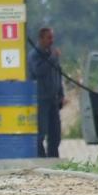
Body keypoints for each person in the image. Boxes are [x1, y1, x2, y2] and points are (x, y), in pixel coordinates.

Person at [29, 26, 65, 158]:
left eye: (52, 37)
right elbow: (39, 71)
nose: (52, 40)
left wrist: (61, 94)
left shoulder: (52, 54)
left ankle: (53, 158)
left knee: (55, 133)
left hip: (53, 99)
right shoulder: (34, 55)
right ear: (41, 39)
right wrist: (52, 58)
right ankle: (40, 158)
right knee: (41, 132)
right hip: (41, 100)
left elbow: (58, 74)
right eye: (49, 38)